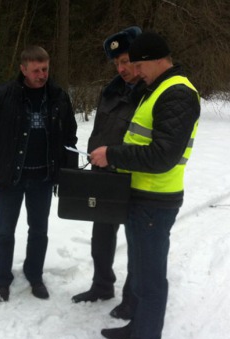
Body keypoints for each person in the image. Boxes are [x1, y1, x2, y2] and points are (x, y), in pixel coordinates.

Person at [90, 31, 201, 339]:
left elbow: (163, 155)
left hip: (156, 200)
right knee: (138, 272)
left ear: (156, 59)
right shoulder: (156, 89)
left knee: (151, 280)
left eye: (138, 65)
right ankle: (136, 326)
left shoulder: (177, 93)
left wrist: (113, 154)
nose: (135, 72)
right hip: (139, 196)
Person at [0, 45, 78, 302]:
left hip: (43, 178)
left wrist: (69, 176)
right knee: (5, 231)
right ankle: (2, 278)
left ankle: (34, 274)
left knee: (39, 231)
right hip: (11, 178)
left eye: (45, 69)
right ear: (23, 69)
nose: (42, 75)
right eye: (36, 70)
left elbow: (69, 137)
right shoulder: (2, 96)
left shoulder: (58, 97)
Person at [71, 26, 145, 322]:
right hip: (106, 173)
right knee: (101, 235)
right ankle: (102, 285)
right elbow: (101, 128)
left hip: (137, 177)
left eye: (126, 60)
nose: (121, 68)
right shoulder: (112, 89)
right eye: (116, 63)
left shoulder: (152, 90)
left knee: (137, 242)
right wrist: (93, 154)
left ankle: (132, 299)